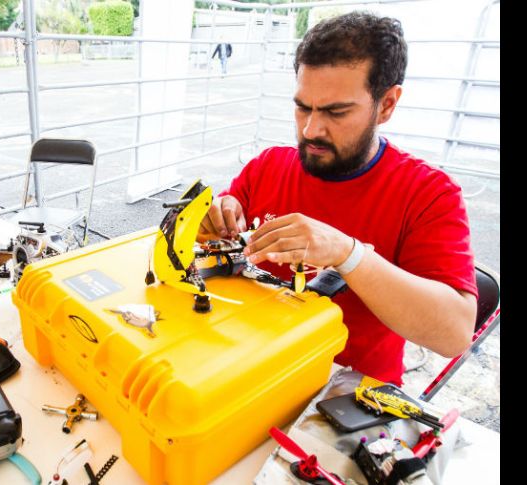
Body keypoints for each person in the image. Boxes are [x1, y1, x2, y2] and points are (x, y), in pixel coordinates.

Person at [198, 12, 477, 386]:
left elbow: (454, 335)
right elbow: (214, 242)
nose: (311, 130)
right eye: (302, 107)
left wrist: (349, 254)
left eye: (336, 111)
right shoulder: (268, 166)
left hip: (345, 394)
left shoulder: (428, 194)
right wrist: (210, 219)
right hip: (248, 364)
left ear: (388, 104)